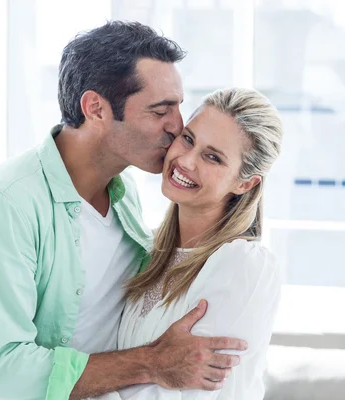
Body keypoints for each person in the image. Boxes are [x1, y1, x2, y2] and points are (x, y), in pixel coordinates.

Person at [0, 21, 247, 400]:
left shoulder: (126, 196)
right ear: (96, 109)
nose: (177, 126)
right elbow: (9, 378)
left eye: (178, 107)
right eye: (161, 111)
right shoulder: (6, 204)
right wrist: (151, 363)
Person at [96, 87, 284, 399]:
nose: (186, 161)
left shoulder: (243, 265)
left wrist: (71, 389)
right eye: (188, 139)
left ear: (244, 183)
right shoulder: (150, 253)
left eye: (212, 157)